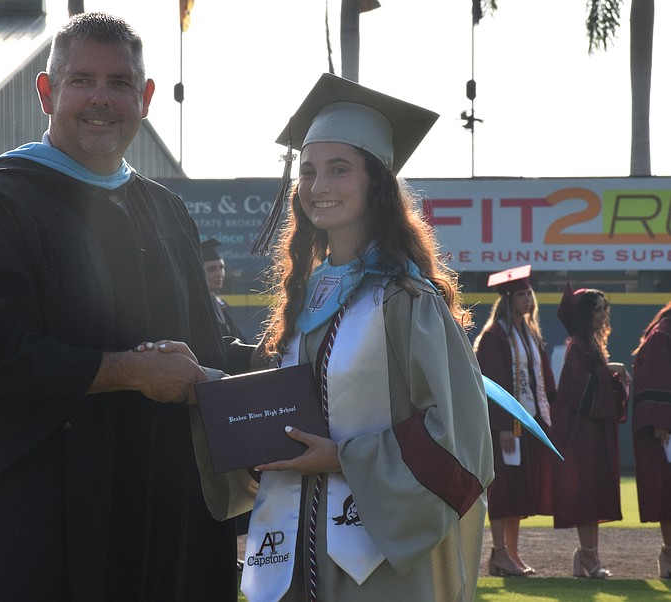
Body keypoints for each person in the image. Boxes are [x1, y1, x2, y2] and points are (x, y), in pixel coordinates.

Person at [0, 13, 242, 602]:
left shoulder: (165, 213)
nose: (101, 99)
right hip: (32, 523)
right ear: (46, 92)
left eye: (119, 83)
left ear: (146, 98)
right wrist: (132, 372)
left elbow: (203, 351)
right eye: (82, 80)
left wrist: (297, 356)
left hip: (158, 516)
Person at [188, 73, 494, 601]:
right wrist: (200, 385)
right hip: (297, 546)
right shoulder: (305, 299)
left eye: (339, 169)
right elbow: (281, 409)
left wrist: (344, 458)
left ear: (377, 182)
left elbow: (461, 441)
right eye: (307, 171)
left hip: (378, 560)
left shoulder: (407, 301)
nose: (318, 186)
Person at [473, 265, 555, 576]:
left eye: (529, 294)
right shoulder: (495, 337)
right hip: (506, 429)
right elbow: (492, 385)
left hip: (528, 423)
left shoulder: (530, 334)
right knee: (504, 490)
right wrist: (504, 426)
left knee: (519, 490)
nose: (528, 300)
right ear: (508, 299)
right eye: (521, 295)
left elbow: (542, 379)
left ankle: (513, 554)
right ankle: (498, 553)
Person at [552, 283, 629, 578]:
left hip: (593, 432)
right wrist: (607, 372)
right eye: (597, 310)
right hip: (581, 434)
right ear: (585, 314)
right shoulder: (577, 347)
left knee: (594, 492)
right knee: (585, 494)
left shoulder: (592, 344)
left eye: (604, 310)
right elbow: (578, 391)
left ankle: (587, 555)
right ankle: (588, 556)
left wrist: (611, 377)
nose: (602, 315)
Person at [631, 300, 671, 578]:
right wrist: (661, 419)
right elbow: (657, 378)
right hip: (666, 427)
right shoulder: (662, 335)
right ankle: (668, 553)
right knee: (667, 492)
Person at [201, 238, 246, 341]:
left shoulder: (223, 305)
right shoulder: (194, 308)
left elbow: (239, 339)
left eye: (221, 267)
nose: (219, 274)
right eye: (211, 269)